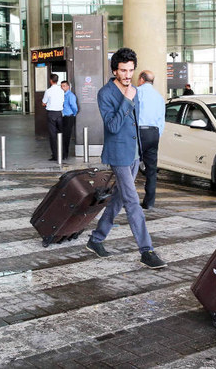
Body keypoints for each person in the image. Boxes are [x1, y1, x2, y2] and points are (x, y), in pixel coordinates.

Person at [86, 48, 167, 270]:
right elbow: (112, 126)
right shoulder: (105, 93)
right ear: (115, 70)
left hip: (133, 152)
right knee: (132, 201)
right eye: (123, 70)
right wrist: (127, 101)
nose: (128, 74)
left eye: (131, 70)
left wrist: (140, 152)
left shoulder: (135, 90)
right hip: (119, 154)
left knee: (120, 199)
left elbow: (135, 124)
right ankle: (146, 250)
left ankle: (96, 239)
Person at [137, 70, 165, 210]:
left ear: (141, 79)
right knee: (151, 170)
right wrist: (157, 134)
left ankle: (127, 200)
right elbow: (162, 119)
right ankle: (149, 202)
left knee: (130, 166)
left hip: (139, 132)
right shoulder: (159, 97)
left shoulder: (136, 92)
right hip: (154, 133)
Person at [42, 73, 64, 161]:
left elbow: (44, 102)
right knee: (60, 134)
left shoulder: (48, 91)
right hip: (59, 113)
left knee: (53, 135)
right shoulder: (61, 91)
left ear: (50, 80)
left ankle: (55, 155)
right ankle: (62, 154)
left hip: (51, 114)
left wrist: (46, 103)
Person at [60, 80, 78, 160]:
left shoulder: (70, 95)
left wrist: (73, 114)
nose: (62, 87)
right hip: (62, 117)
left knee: (66, 136)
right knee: (62, 136)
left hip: (69, 117)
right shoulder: (61, 95)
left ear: (68, 86)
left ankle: (65, 154)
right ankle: (62, 153)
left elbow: (74, 107)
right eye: (61, 86)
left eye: (64, 86)